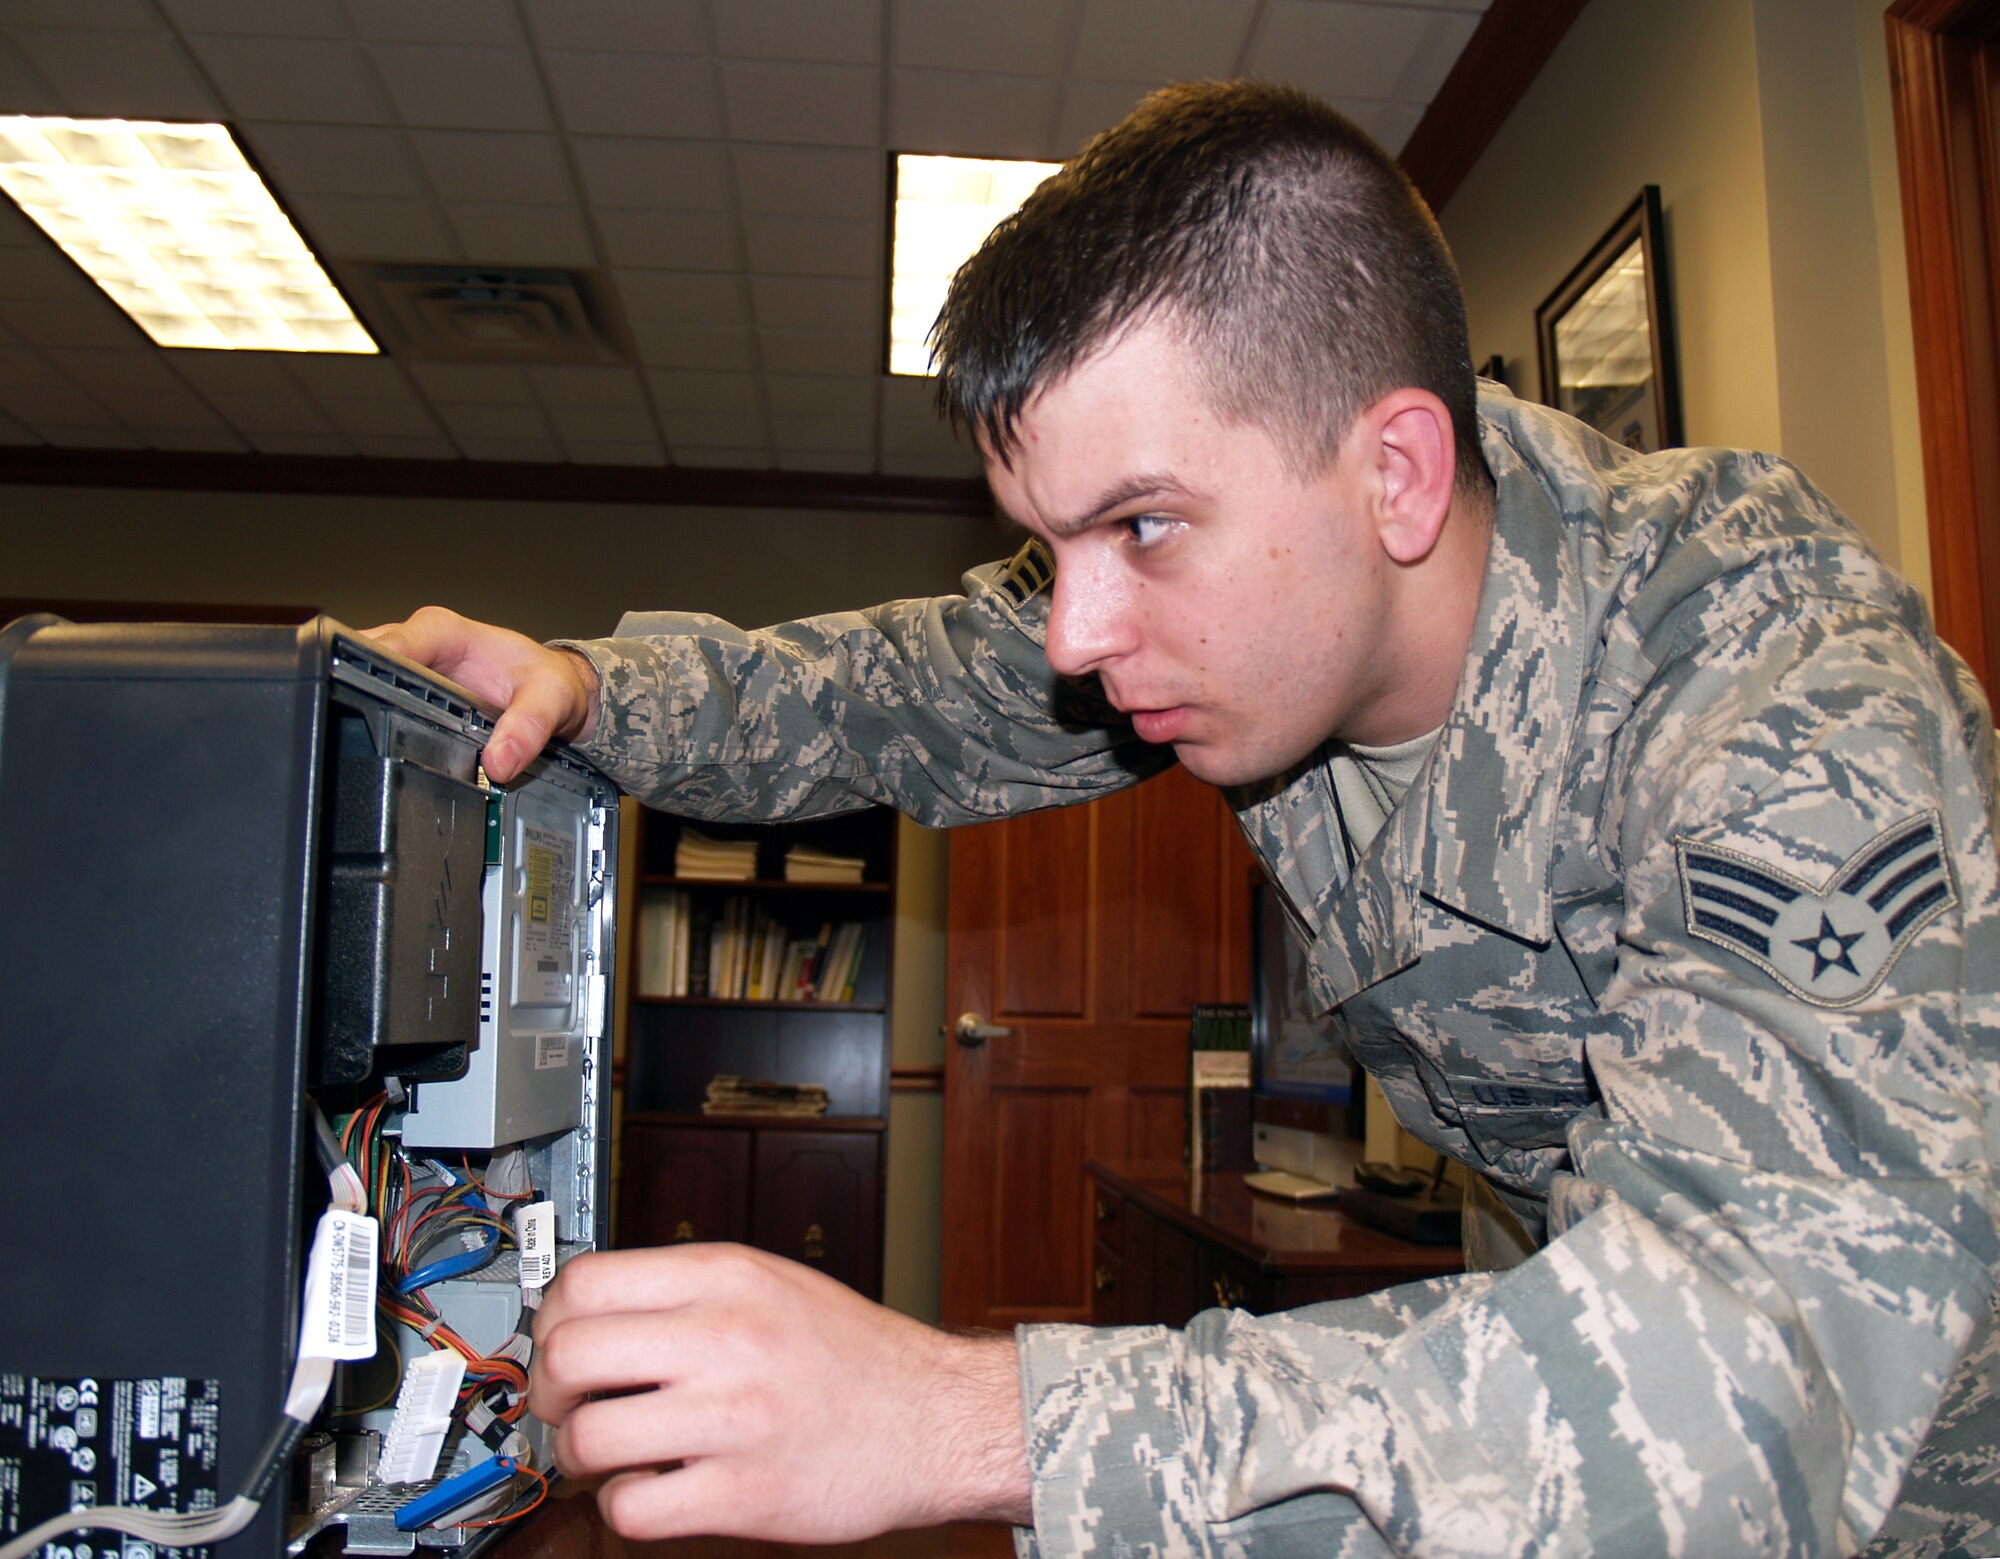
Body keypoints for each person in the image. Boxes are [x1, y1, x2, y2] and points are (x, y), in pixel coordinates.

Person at [369, 81, 2000, 1559]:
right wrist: (587, 688)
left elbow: (1740, 1390)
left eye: (1141, 527)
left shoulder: (1780, 707)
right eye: (1051, 545)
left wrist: (962, 1418)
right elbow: (901, 689)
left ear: (1399, 477)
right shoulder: (1270, 607)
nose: (1074, 635)